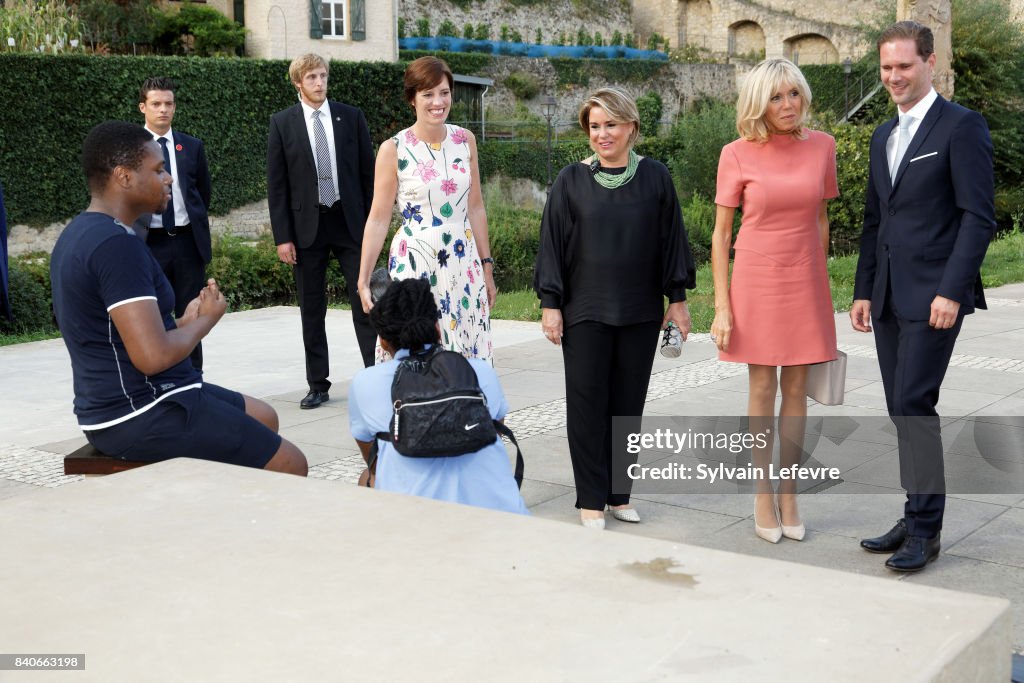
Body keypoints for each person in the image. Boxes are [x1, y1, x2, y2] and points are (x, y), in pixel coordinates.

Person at [50, 121, 307, 476]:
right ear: (124, 177)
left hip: (127, 401)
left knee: (266, 417)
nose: (169, 178)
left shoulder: (83, 231)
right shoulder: (116, 246)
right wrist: (205, 321)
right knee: (291, 464)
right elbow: (152, 357)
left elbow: (116, 333)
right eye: (157, 170)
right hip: (139, 410)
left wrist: (182, 322)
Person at [851, 21, 995, 572]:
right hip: (887, 295)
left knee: (914, 402)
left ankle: (927, 530)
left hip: (936, 296)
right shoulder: (881, 135)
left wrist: (951, 291)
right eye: (886, 68)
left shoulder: (962, 127)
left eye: (904, 66)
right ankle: (914, 513)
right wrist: (864, 290)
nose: (893, 77)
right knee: (898, 407)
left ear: (929, 63)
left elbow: (977, 219)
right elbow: (873, 221)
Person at [535, 87, 696, 530]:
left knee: (627, 407)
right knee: (587, 407)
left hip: (641, 312)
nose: (602, 134)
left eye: (610, 125)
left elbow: (671, 243)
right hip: (584, 311)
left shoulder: (655, 177)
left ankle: (618, 495)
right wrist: (551, 304)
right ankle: (590, 499)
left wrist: (677, 301)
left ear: (631, 127)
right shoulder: (571, 179)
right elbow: (552, 245)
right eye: (594, 126)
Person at [710, 58, 839, 544]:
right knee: (763, 389)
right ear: (758, 104)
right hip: (756, 279)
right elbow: (721, 237)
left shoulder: (822, 146)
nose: (788, 105)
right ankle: (763, 493)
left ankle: (790, 492)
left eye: (794, 94)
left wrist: (819, 280)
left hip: (805, 280)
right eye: (776, 97)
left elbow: (821, 219)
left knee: (798, 391)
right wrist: (723, 306)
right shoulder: (736, 153)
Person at [356, 56, 495, 364]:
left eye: (444, 92)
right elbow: (378, 218)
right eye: (428, 94)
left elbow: (476, 207)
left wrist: (487, 267)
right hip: (416, 263)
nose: (438, 102)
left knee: (466, 353)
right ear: (412, 99)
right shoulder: (394, 148)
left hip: (463, 261)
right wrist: (363, 279)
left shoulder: (465, 141)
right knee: (416, 352)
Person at [348, 278, 528, 514]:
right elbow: (491, 434)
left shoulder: (364, 383)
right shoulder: (481, 372)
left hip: (419, 524)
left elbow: (373, 460)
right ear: (436, 328)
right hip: (500, 518)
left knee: (366, 478)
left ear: (382, 341)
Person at [267, 53, 376, 408]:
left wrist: (374, 225)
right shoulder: (282, 123)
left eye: (323, 76)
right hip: (305, 229)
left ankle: (375, 374)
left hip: (350, 223)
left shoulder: (351, 117)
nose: (319, 83)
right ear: (297, 82)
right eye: (311, 77)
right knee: (311, 308)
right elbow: (277, 185)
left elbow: (368, 175)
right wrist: (283, 236)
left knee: (366, 301)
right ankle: (318, 383)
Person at [133, 77, 212, 371]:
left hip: (187, 241)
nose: (163, 110)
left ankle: (194, 376)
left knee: (192, 311)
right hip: (148, 242)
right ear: (143, 107)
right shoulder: (132, 149)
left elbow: (202, 193)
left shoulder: (191, 146)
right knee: (152, 313)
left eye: (168, 104)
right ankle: (160, 376)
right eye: (156, 104)